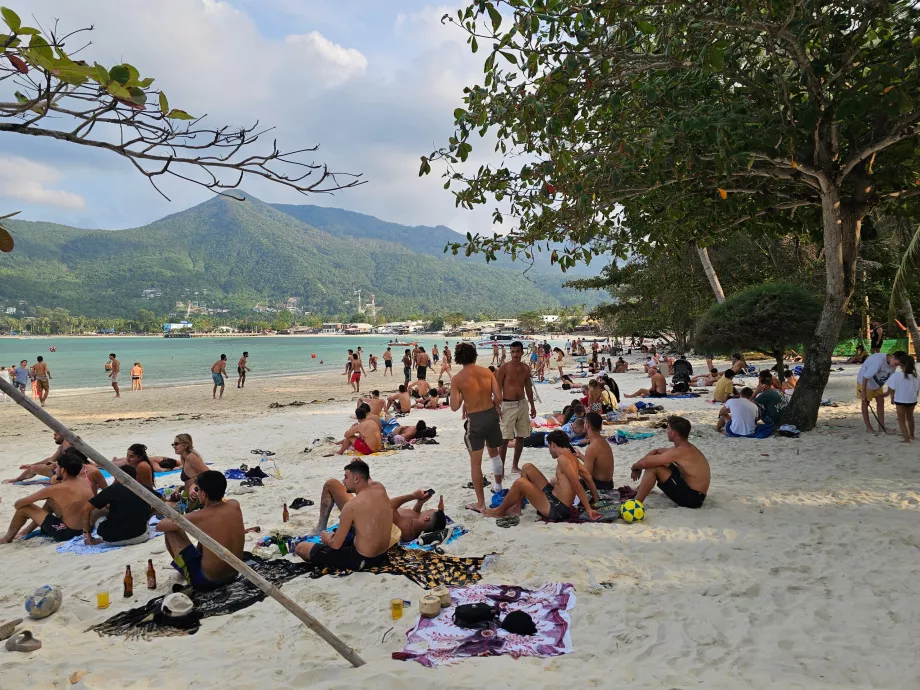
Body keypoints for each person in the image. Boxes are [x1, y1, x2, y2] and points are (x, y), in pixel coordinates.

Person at [483, 430, 600, 521]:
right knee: (527, 467)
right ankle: (517, 508)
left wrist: (589, 509)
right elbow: (588, 478)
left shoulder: (563, 459)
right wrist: (596, 500)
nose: (549, 451)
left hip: (557, 508)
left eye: (549, 447)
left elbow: (576, 484)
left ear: (553, 445)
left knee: (520, 483)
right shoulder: (573, 457)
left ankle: (499, 511)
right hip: (553, 498)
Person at [296, 460, 393, 570]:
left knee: (301, 548)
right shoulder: (379, 487)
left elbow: (336, 544)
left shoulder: (351, 507)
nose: (343, 481)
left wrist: (327, 539)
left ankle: (322, 534)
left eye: (346, 477)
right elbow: (367, 478)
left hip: (363, 559)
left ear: (356, 478)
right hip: (383, 553)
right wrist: (359, 465)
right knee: (331, 483)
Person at [157, 471, 244, 591]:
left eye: (198, 490)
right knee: (207, 532)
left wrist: (175, 513)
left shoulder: (201, 516)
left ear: (204, 494)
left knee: (171, 531)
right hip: (235, 572)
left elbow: (161, 526)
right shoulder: (234, 504)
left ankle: (185, 571)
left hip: (207, 581)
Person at [450, 342, 504, 512]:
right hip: (491, 415)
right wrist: (492, 404)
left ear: (458, 357)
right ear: (475, 355)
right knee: (494, 453)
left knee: (476, 463)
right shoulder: (487, 372)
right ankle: (498, 486)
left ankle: (480, 503)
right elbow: (499, 397)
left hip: (476, 420)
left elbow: (454, 406)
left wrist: (463, 396)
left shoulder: (457, 379)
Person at [1, 452, 94, 543]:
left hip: (68, 533)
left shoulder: (55, 489)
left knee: (24, 509)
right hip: (87, 528)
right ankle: (26, 531)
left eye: (57, 467)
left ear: (63, 470)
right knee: (51, 500)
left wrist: (43, 497)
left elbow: (18, 504)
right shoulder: (84, 481)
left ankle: (6, 539)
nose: (55, 470)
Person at [631, 416, 710, 508]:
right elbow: (656, 451)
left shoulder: (680, 451)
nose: (666, 431)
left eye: (668, 429)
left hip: (693, 498)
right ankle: (641, 489)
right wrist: (639, 466)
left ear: (673, 433)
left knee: (653, 467)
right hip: (694, 492)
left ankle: (635, 504)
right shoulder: (684, 447)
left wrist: (634, 467)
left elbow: (645, 463)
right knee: (658, 461)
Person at [495, 341, 537, 480]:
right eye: (512, 352)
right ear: (510, 352)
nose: (515, 355)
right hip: (508, 405)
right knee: (505, 438)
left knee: (521, 436)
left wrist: (532, 405)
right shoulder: (504, 368)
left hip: (522, 404)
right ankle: (500, 470)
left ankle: (514, 465)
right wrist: (497, 406)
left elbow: (528, 388)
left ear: (522, 352)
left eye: (517, 352)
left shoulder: (525, 368)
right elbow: (497, 388)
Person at [81, 465, 151, 546]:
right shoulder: (143, 488)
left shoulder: (113, 489)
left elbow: (85, 509)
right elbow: (162, 503)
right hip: (141, 536)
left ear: (118, 477)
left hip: (112, 539)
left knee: (96, 511)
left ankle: (89, 539)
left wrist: (86, 533)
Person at [857, 351, 905, 433]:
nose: (895, 366)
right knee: (865, 403)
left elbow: (891, 378)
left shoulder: (894, 363)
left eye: (897, 365)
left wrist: (888, 392)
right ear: (892, 357)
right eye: (896, 364)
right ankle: (868, 428)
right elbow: (865, 377)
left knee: (880, 402)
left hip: (877, 383)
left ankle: (881, 427)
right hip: (865, 382)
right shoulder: (878, 361)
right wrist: (863, 391)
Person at [3, 431, 71, 484]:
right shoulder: (62, 446)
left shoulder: (68, 445)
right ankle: (17, 479)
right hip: (62, 470)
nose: (54, 438)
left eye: (55, 435)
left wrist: (55, 465)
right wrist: (32, 464)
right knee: (33, 467)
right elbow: (51, 459)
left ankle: (16, 480)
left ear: (62, 434)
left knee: (35, 469)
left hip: (67, 472)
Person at [574, 412, 614, 490]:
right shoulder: (603, 441)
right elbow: (596, 464)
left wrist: (573, 463)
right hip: (608, 484)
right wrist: (579, 455)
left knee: (557, 480)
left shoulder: (592, 447)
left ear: (587, 425)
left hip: (598, 486)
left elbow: (586, 475)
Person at [887, 354, 918, 443]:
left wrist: (892, 398)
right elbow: (917, 390)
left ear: (900, 364)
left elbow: (891, 389)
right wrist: (914, 398)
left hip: (900, 401)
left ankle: (906, 439)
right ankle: (912, 435)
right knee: (910, 418)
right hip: (912, 400)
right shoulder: (916, 377)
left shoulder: (896, 376)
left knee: (901, 421)